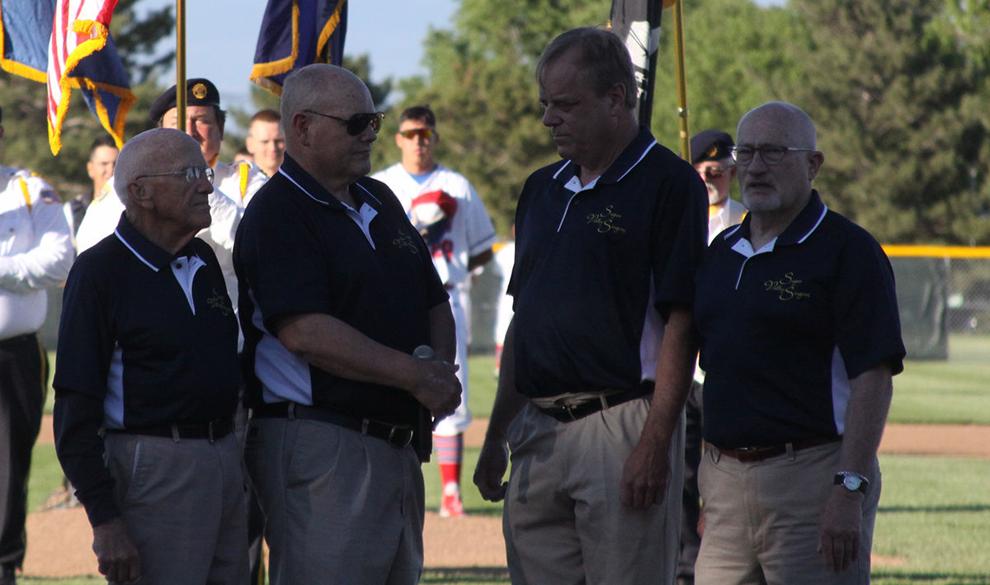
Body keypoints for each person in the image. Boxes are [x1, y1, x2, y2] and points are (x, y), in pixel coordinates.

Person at [473, 28, 707, 585]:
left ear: (617, 99)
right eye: (545, 105)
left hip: (621, 424)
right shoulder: (540, 189)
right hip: (538, 429)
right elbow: (525, 321)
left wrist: (656, 442)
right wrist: (496, 434)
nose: (550, 119)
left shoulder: (668, 183)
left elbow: (683, 321)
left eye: (567, 104)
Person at [234, 63, 462, 585]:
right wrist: (413, 376)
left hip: (394, 442)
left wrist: (437, 372)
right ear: (305, 128)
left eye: (374, 121)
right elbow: (305, 333)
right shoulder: (278, 213)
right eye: (356, 122)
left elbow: (432, 298)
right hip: (322, 445)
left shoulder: (378, 198)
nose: (370, 135)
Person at [693, 102, 905, 585]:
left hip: (811, 475)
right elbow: (718, 371)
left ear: (813, 164)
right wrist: (714, 486)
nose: (755, 166)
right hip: (726, 482)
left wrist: (848, 487)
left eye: (773, 152)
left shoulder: (848, 252)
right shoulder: (722, 254)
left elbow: (873, 378)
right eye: (744, 153)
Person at [53, 128, 247, 585]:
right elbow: (74, 406)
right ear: (140, 191)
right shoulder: (100, 273)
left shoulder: (202, 259)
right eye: (190, 174)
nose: (206, 185)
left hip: (224, 457)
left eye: (205, 172)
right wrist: (105, 519)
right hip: (154, 467)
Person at [372, 105, 496, 517]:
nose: (418, 141)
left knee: (451, 389)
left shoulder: (456, 185)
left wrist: (452, 269)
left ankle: (449, 493)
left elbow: (479, 250)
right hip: (391, 299)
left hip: (447, 293)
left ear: (434, 138)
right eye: (410, 134)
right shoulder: (381, 184)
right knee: (392, 385)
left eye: (425, 134)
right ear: (398, 139)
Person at [0, 107, 74, 585]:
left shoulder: (27, 189)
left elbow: (59, 258)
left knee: (7, 467)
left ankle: (3, 566)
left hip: (12, 354)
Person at [678, 128, 747, 585]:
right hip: (686, 366)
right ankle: (685, 564)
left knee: (728, 470)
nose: (711, 176)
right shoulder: (678, 218)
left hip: (728, 365)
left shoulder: (747, 219)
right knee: (683, 472)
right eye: (704, 169)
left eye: (719, 170)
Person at [65, 136, 118, 236]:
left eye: (116, 164)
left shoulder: (130, 210)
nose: (111, 171)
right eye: (104, 164)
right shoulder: (73, 210)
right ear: (90, 168)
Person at [245, 108, 286, 180]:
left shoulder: (301, 184)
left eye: (278, 141)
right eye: (265, 142)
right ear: (250, 144)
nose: (273, 148)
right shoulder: (237, 187)